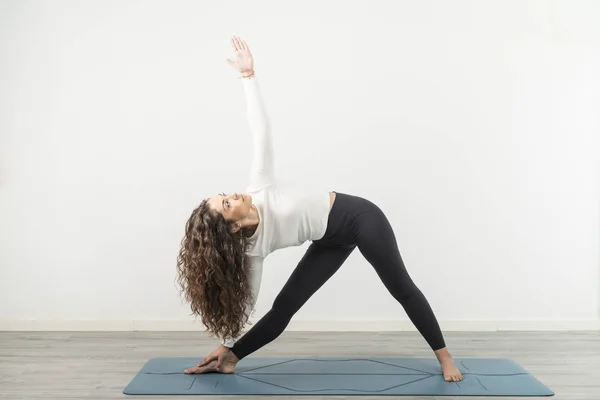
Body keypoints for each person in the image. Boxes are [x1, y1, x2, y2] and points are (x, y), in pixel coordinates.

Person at [176, 35, 464, 382]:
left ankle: (445, 357)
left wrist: (248, 77)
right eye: (227, 203)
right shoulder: (252, 250)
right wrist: (226, 346)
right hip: (329, 240)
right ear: (232, 228)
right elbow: (248, 308)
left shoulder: (260, 186)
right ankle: (232, 359)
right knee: (284, 309)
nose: (234, 194)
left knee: (401, 287)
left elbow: (261, 131)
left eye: (226, 194)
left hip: (360, 218)